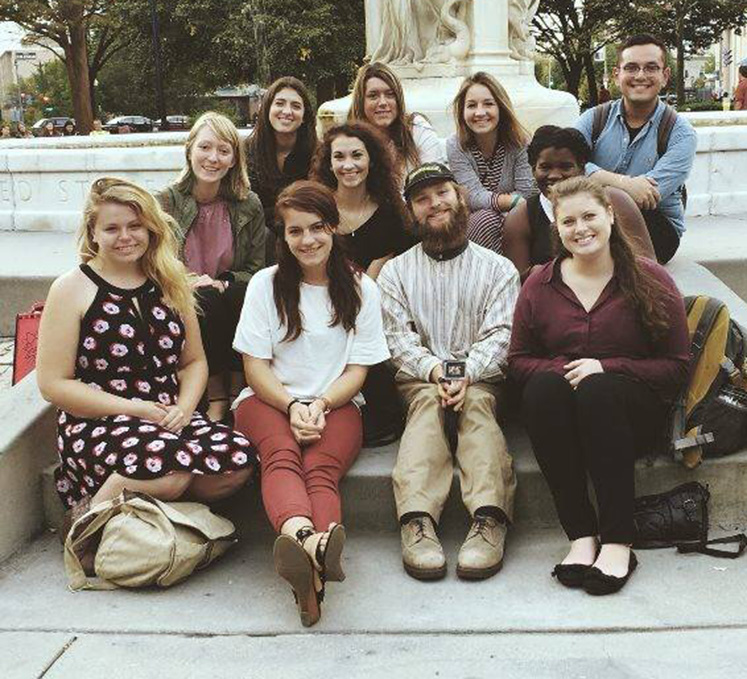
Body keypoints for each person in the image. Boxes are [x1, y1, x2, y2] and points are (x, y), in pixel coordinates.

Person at [36, 177, 257, 532]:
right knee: (169, 471)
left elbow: (194, 361)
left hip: (168, 415)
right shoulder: (71, 288)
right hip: (99, 420)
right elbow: (52, 384)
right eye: (111, 228)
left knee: (237, 463)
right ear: (92, 233)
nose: (125, 236)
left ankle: (151, 524)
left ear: (151, 227)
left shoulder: (171, 281)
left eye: (135, 225)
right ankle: (87, 523)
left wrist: (185, 408)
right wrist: (133, 409)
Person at [508, 175, 689, 595]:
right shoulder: (540, 283)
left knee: (598, 389)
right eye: (568, 221)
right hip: (565, 418)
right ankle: (581, 536)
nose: (581, 228)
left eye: (589, 215)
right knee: (542, 388)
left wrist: (604, 367)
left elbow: (677, 366)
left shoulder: (649, 278)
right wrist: (563, 370)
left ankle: (618, 540)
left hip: (630, 414)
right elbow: (518, 361)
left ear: (610, 215)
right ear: (557, 227)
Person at [232, 180, 389, 626]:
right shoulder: (265, 285)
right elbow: (255, 367)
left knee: (320, 469)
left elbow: (358, 370)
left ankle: (306, 561)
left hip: (336, 403)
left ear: (334, 227)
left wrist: (318, 404)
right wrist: (290, 406)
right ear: (282, 237)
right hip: (267, 400)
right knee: (280, 455)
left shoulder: (361, 288)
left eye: (317, 227)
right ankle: (312, 539)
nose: (308, 240)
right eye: (295, 231)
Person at [378, 163, 519, 582]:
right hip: (418, 379)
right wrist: (438, 371)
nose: (433, 204)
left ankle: (489, 519)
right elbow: (396, 339)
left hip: (482, 379)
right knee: (425, 402)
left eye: (442, 193)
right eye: (422, 199)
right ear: (411, 213)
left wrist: (465, 373)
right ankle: (417, 522)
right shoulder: (395, 272)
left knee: (474, 403)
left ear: (460, 197)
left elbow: (501, 336)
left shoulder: (498, 269)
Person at [157, 112, 266, 422]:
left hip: (227, 294)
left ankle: (238, 389)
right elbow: (155, 262)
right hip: (179, 295)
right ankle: (217, 395)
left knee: (232, 295)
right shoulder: (166, 203)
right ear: (190, 150)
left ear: (234, 159)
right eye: (205, 147)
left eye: (223, 150)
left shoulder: (249, 204)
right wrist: (186, 281)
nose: (213, 158)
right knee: (207, 299)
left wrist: (224, 281)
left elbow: (256, 268)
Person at [311, 121, 414, 445]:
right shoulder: (317, 207)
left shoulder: (391, 212)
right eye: (339, 156)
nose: (348, 165)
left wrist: (372, 279)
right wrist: (366, 275)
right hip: (319, 305)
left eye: (357, 155)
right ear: (329, 162)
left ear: (372, 160)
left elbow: (400, 267)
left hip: (373, 312)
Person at [574, 34, 697, 264]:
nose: (641, 76)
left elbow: (646, 196)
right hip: (592, 219)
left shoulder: (680, 132)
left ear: (665, 75)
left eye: (651, 68)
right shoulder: (594, 119)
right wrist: (625, 183)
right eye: (631, 68)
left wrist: (593, 177)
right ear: (616, 74)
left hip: (655, 228)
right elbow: (567, 165)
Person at [502, 125, 655, 281]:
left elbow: (649, 269)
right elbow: (518, 284)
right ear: (533, 170)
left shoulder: (617, 202)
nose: (554, 175)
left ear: (582, 168)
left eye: (566, 166)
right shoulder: (520, 219)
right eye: (545, 167)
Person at [446, 72, 535, 254]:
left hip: (517, 220)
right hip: (475, 224)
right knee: (483, 220)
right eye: (471, 105)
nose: (480, 112)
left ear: (500, 107)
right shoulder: (455, 145)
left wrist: (504, 208)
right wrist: (511, 200)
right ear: (462, 111)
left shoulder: (520, 143)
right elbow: (472, 197)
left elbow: (527, 193)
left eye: (488, 104)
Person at [245, 76, 317, 264]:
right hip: (256, 240)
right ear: (267, 108)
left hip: (304, 238)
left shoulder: (318, 154)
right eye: (280, 103)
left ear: (304, 116)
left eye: (295, 106)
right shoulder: (245, 152)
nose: (287, 111)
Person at [348, 62, 446, 178]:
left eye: (390, 95)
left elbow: (436, 180)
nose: (383, 103)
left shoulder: (417, 128)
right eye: (373, 96)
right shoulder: (349, 140)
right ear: (361, 102)